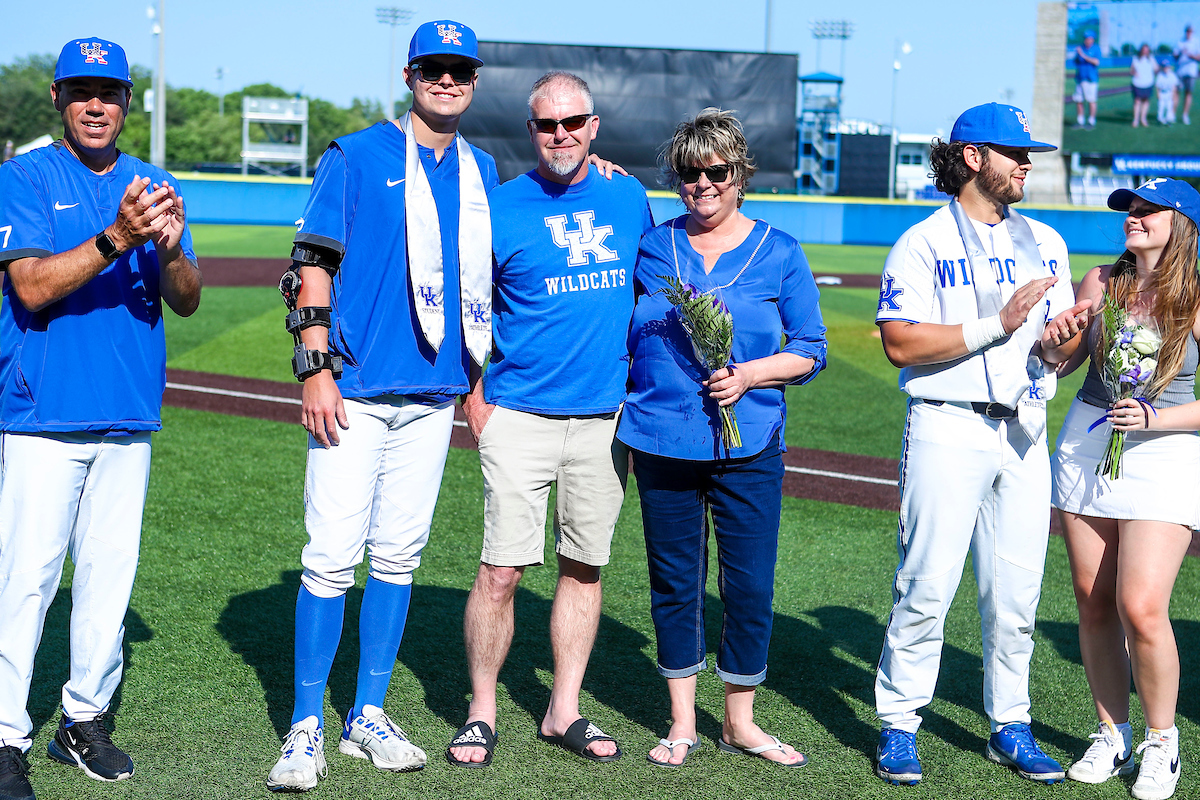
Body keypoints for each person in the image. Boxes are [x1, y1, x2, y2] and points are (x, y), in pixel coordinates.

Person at [264, 20, 499, 792]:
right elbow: (309, 266)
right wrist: (314, 369)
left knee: (398, 558)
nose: (446, 80)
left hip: (431, 396)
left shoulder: (483, 169)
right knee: (330, 560)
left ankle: (366, 713)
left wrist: (474, 379)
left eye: (459, 70)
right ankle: (304, 727)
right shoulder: (357, 154)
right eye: (433, 68)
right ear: (409, 74)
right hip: (355, 391)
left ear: (471, 80)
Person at [0, 37, 202, 800]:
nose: (96, 104)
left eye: (110, 92)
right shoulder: (22, 176)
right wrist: (119, 237)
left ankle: (81, 722)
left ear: (127, 102)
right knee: (25, 581)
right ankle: (4, 733)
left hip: (126, 416)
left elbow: (185, 295)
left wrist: (174, 249)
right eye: (82, 90)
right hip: (41, 417)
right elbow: (31, 287)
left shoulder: (157, 183)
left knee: (109, 583)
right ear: (57, 97)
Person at [872, 103, 1091, 786]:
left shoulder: (1046, 241)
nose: (1027, 163)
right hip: (947, 422)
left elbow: (1063, 352)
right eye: (1014, 152)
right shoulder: (923, 242)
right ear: (971, 157)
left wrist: (1065, 344)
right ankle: (900, 725)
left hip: (1024, 429)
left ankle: (1010, 725)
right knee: (925, 585)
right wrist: (996, 325)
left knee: (1017, 594)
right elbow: (899, 341)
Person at [448, 71, 653, 768]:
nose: (560, 134)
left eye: (573, 122)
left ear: (594, 127)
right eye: (547, 124)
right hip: (520, 415)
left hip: (603, 420)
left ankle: (562, 708)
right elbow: (462, 309)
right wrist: (474, 403)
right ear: (530, 130)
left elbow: (651, 292)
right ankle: (482, 710)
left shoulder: (628, 194)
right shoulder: (498, 206)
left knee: (584, 568)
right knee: (500, 572)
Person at [617, 108, 827, 769]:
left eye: (716, 171)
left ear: (740, 175)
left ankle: (740, 721)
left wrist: (750, 375)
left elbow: (810, 349)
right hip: (660, 438)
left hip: (751, 441)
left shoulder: (781, 252)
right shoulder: (653, 246)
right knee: (675, 583)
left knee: (750, 587)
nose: (701, 184)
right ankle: (682, 722)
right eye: (688, 172)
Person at [1052, 178, 1200, 800]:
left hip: (1164, 450)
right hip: (1088, 441)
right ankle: (1110, 732)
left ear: (1182, 224)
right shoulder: (1099, 282)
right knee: (1091, 597)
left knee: (1140, 606)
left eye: (1147, 211)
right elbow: (1059, 365)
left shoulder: (1195, 297)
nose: (1133, 218)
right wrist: (1056, 339)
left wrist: (1153, 418)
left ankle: (1161, 741)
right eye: (1128, 210)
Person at [1073, 32, 1101, 128]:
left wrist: (1083, 55)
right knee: (1079, 100)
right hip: (1080, 78)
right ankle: (1080, 120)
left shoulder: (1096, 49)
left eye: (1089, 38)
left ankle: (1091, 121)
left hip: (1091, 79)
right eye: (1086, 38)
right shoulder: (1081, 48)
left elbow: (1096, 62)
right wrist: (1077, 54)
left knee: (1091, 100)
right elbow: (1076, 61)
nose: (1087, 40)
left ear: (1092, 39)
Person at [1174, 25, 1200, 124]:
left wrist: (1190, 55)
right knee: (1176, 92)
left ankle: (1185, 115)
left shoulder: (1196, 42)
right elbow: (1175, 57)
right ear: (1185, 32)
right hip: (1180, 71)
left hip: (1191, 71)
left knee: (1188, 93)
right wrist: (1181, 53)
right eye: (1187, 31)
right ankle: (1172, 114)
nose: (1188, 33)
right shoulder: (1179, 42)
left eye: (1190, 31)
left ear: (1193, 32)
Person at [1132, 44, 1157, 128]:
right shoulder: (1136, 58)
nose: (1145, 51)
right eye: (1144, 49)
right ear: (1141, 50)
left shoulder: (1151, 59)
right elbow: (1131, 70)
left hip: (1148, 83)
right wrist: (1134, 73)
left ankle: (1143, 119)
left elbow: (1156, 69)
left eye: (1147, 50)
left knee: (1146, 101)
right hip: (1137, 83)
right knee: (1137, 101)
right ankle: (1136, 119)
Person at [1156, 60, 1180, 125]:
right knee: (1161, 106)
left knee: (1169, 106)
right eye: (1164, 67)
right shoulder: (1160, 75)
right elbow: (1157, 86)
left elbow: (1174, 86)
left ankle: (1168, 119)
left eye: (1167, 67)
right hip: (1162, 93)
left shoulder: (1172, 75)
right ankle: (1160, 119)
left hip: (1169, 93)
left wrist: (1174, 95)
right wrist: (1158, 94)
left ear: (1169, 67)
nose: (1165, 69)